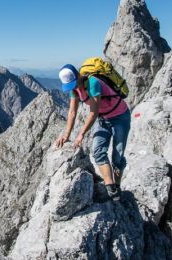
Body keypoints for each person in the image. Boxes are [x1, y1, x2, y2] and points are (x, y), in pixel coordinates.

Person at [55, 64, 131, 201]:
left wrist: (81, 134)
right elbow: (72, 111)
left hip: (120, 117)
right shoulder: (75, 89)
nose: (73, 88)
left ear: (79, 76)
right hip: (103, 119)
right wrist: (66, 134)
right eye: (70, 86)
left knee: (117, 156)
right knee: (98, 152)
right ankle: (111, 189)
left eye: (74, 84)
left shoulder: (93, 83)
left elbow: (94, 111)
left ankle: (117, 186)